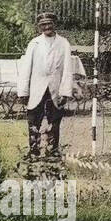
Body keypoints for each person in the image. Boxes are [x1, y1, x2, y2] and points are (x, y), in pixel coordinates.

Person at [15, 12, 74, 159]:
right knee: (34, 120)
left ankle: (53, 150)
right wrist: (23, 91)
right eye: (43, 25)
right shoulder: (34, 43)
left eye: (49, 24)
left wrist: (65, 92)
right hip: (37, 89)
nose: (47, 27)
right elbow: (26, 68)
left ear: (55, 24)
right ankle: (33, 150)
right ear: (39, 26)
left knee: (55, 121)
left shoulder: (63, 43)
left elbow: (67, 69)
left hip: (56, 89)